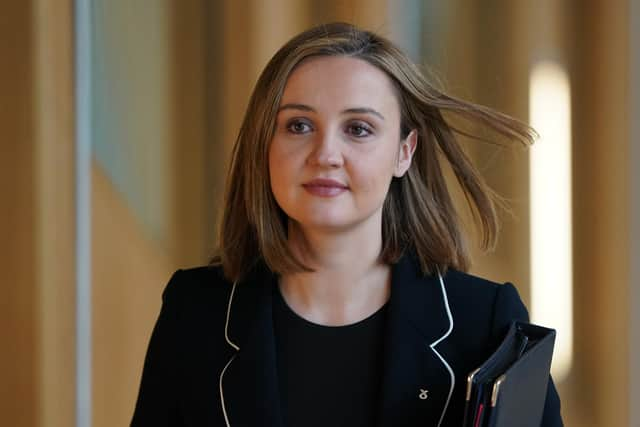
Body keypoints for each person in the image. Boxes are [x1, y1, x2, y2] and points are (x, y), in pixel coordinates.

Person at [131, 22, 563, 427]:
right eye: (298, 125)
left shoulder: (486, 325)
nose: (325, 154)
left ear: (404, 152)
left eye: (358, 129)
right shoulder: (194, 314)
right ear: (264, 143)